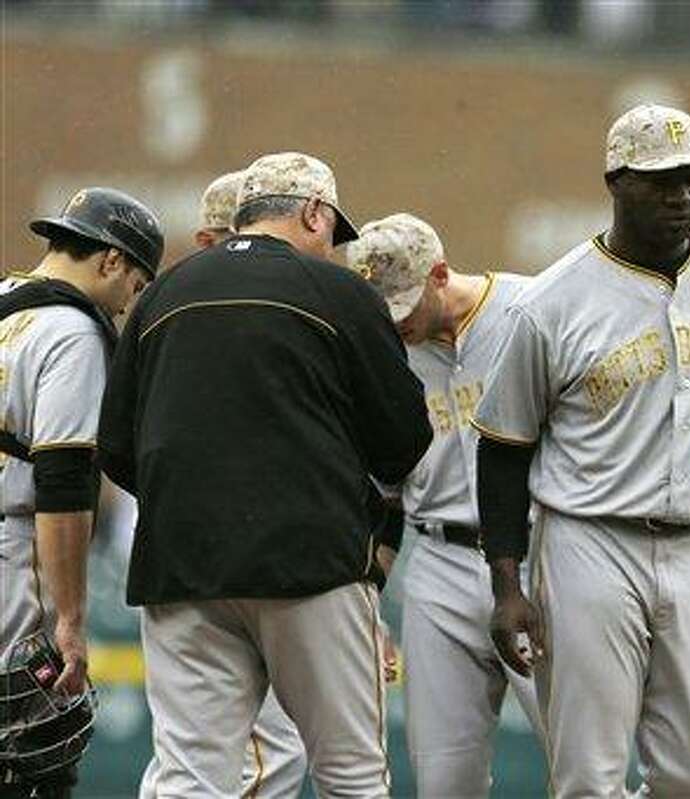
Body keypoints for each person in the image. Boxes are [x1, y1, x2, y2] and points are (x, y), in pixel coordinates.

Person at [472, 104, 690, 797]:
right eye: (660, 182)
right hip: (589, 543)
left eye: (689, 180)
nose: (681, 196)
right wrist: (507, 584)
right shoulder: (551, 302)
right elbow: (504, 448)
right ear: (615, 183)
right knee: (589, 774)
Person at [97, 151, 432, 797]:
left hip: (181, 564)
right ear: (313, 212)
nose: (332, 249)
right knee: (351, 775)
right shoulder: (339, 291)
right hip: (313, 564)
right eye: (332, 233)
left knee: (190, 778)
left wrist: (199, 498)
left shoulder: (165, 291)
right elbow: (403, 437)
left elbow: (115, 446)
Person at [346, 212, 544, 797]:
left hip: (539, 554)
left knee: (582, 758)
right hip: (437, 556)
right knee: (443, 779)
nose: (397, 324)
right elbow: (380, 490)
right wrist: (367, 596)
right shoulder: (380, 347)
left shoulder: (527, 311)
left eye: (404, 307)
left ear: (439, 273)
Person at [134, 169, 308, 799]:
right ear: (211, 238)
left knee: (187, 763)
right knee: (259, 758)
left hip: (181, 554)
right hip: (239, 561)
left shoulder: (169, 309)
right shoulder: (193, 311)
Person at [0, 187, 162, 798]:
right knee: (29, 752)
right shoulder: (70, 332)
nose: (130, 304)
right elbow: (64, 481)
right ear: (112, 260)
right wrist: (70, 616)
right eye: (138, 285)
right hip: (16, 555)